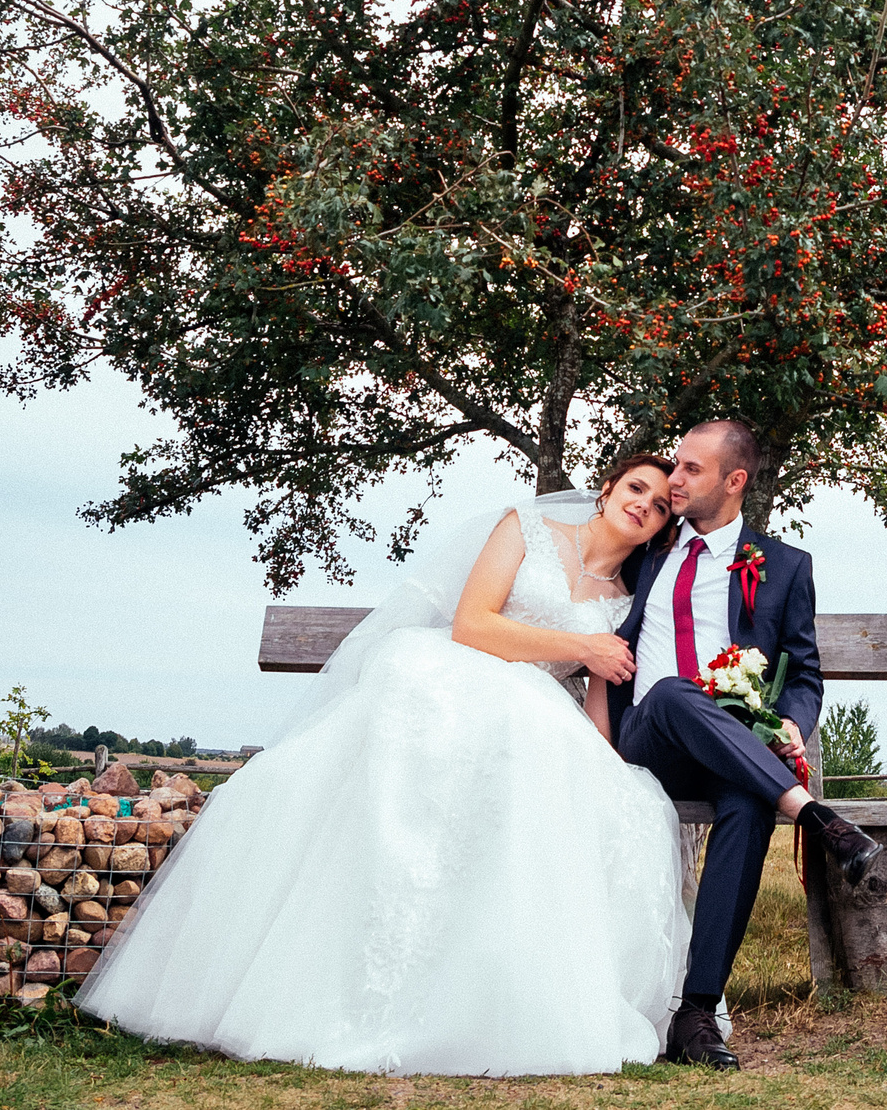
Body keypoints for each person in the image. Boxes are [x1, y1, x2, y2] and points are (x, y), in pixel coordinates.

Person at [76, 455, 691, 1075]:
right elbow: (472, 625)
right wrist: (581, 646)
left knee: (554, 767)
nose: (644, 504)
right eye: (637, 487)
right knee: (443, 728)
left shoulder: (625, 600)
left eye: (662, 504)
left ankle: (475, 988)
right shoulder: (525, 529)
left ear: (664, 526)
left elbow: (598, 694)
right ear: (608, 489)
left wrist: (604, 763)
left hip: (529, 716)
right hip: (456, 676)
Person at [607, 420, 886, 1070]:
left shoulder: (784, 567)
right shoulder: (646, 546)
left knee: (749, 804)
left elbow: (805, 672)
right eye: (673, 467)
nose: (673, 480)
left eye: (690, 470)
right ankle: (816, 817)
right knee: (676, 692)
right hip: (651, 739)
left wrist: (792, 719)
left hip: (736, 748)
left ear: (735, 481)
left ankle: (696, 1015)